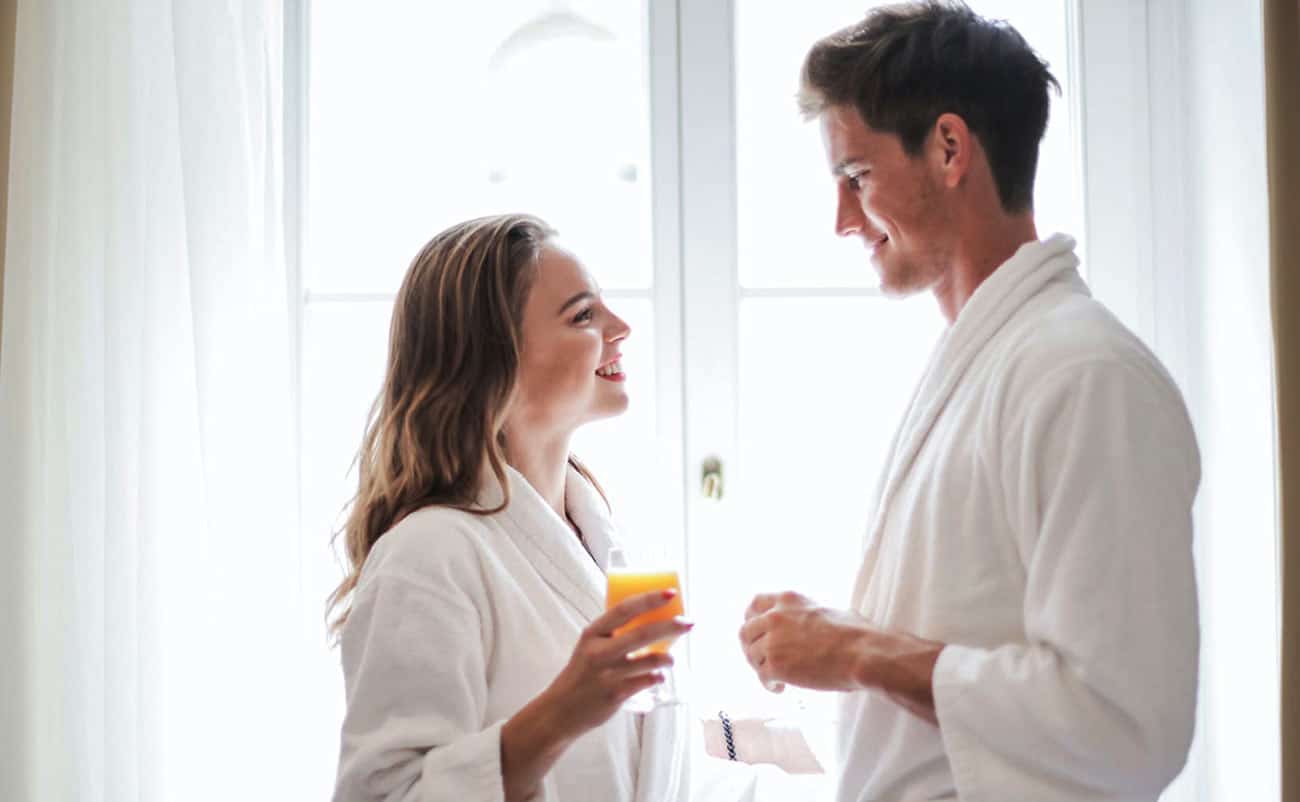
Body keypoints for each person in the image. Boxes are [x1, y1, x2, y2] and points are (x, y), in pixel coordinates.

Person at [738, 3, 1201, 802]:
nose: (842, 220)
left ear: (949, 148)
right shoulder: (986, 366)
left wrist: (857, 651)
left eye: (857, 177)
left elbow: (1124, 726)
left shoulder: (1087, 376)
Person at [328, 214, 812, 802]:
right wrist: (562, 711)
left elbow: (650, 774)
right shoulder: (428, 554)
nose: (622, 327)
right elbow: (385, 796)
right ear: (492, 361)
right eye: (584, 315)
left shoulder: (601, 542)